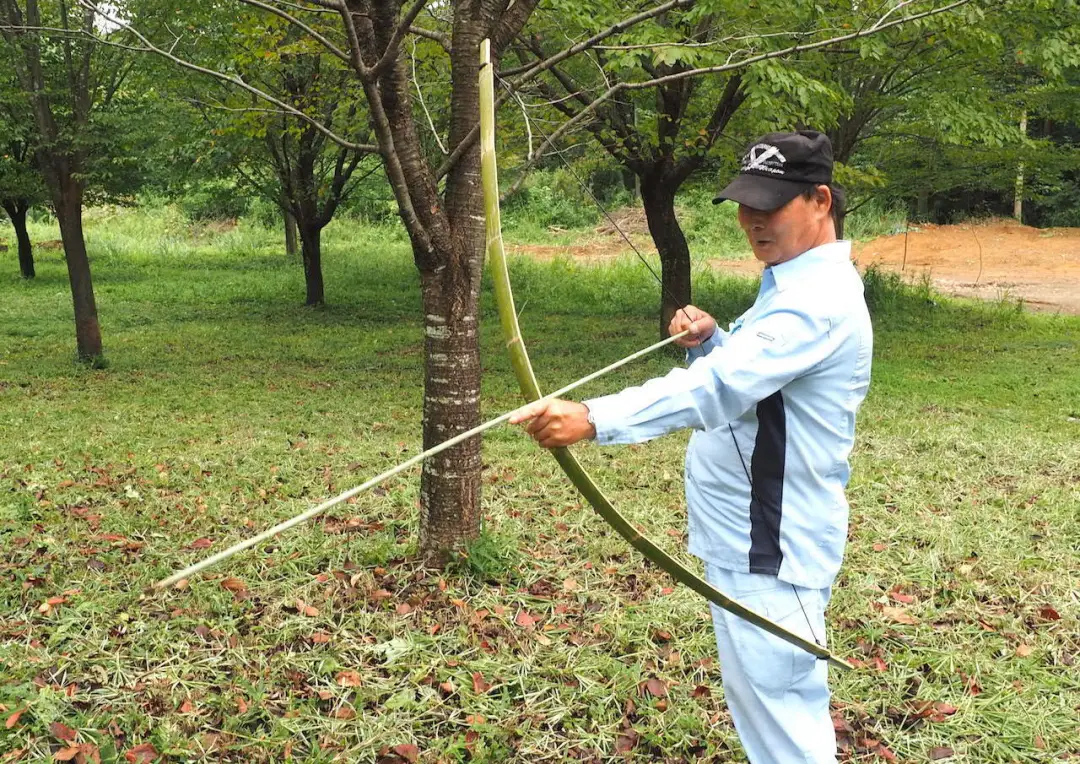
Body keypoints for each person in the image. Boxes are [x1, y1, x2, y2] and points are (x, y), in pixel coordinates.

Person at [509, 130, 872, 763]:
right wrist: (713, 339)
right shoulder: (792, 282)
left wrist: (593, 415)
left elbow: (721, 390)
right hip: (750, 542)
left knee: (784, 721)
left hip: (772, 550)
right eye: (745, 203)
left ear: (820, 200)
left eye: (771, 205)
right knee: (766, 707)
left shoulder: (817, 301)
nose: (752, 220)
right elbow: (761, 381)